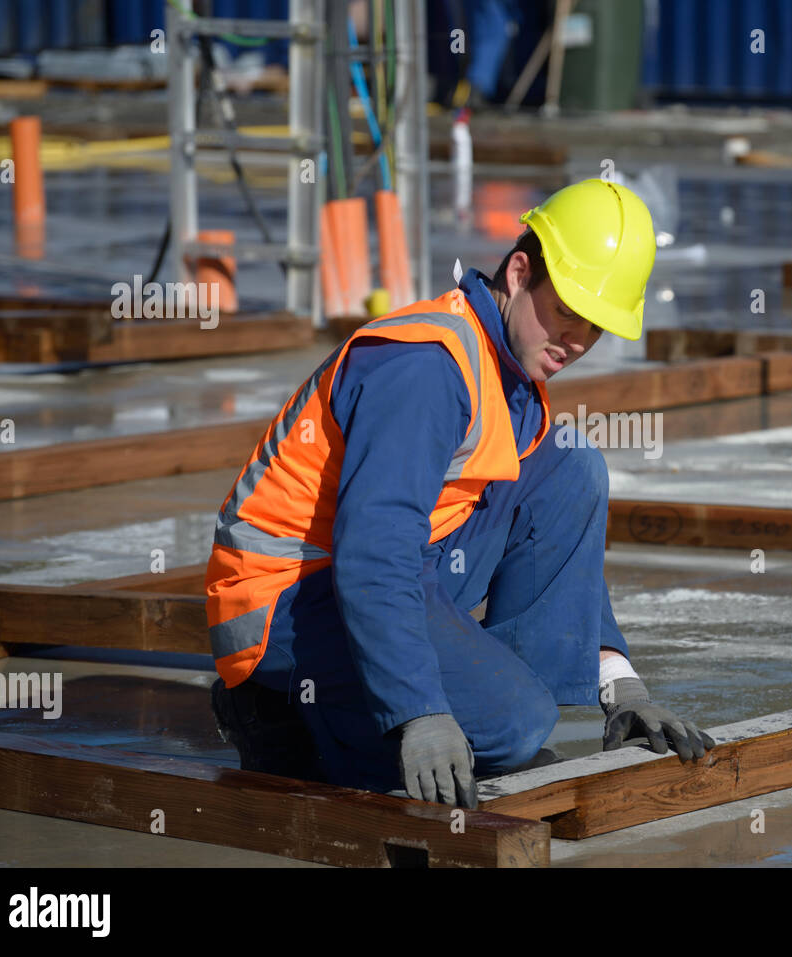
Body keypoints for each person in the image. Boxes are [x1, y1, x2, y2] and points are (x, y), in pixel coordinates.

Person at [206, 178, 714, 809]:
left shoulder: (509, 367)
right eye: (567, 314)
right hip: (284, 603)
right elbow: (373, 548)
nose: (577, 342)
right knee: (518, 723)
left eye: (595, 328)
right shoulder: (426, 368)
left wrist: (621, 684)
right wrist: (418, 710)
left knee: (571, 467)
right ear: (521, 271)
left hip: (380, 574)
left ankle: (472, 707)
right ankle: (288, 717)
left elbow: (546, 528)